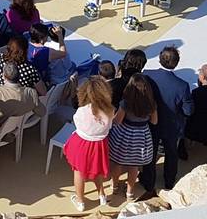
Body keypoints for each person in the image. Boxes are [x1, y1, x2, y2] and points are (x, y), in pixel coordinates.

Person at [141, 47, 194, 193]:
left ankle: (148, 181)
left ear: (159, 59)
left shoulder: (146, 75)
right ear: (176, 63)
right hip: (172, 126)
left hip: (151, 123)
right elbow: (188, 111)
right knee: (171, 154)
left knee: (150, 154)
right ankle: (169, 181)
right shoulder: (182, 86)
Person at [63, 75, 114, 212]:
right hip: (100, 145)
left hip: (82, 144)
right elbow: (108, 129)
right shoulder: (110, 111)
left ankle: (80, 202)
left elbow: (76, 123)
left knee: (78, 173)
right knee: (97, 170)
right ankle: (102, 194)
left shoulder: (82, 110)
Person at [109, 74, 158, 202]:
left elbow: (118, 121)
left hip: (124, 135)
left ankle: (114, 186)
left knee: (118, 162)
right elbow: (154, 121)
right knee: (134, 166)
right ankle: (130, 192)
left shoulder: (126, 103)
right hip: (141, 135)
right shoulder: (151, 103)